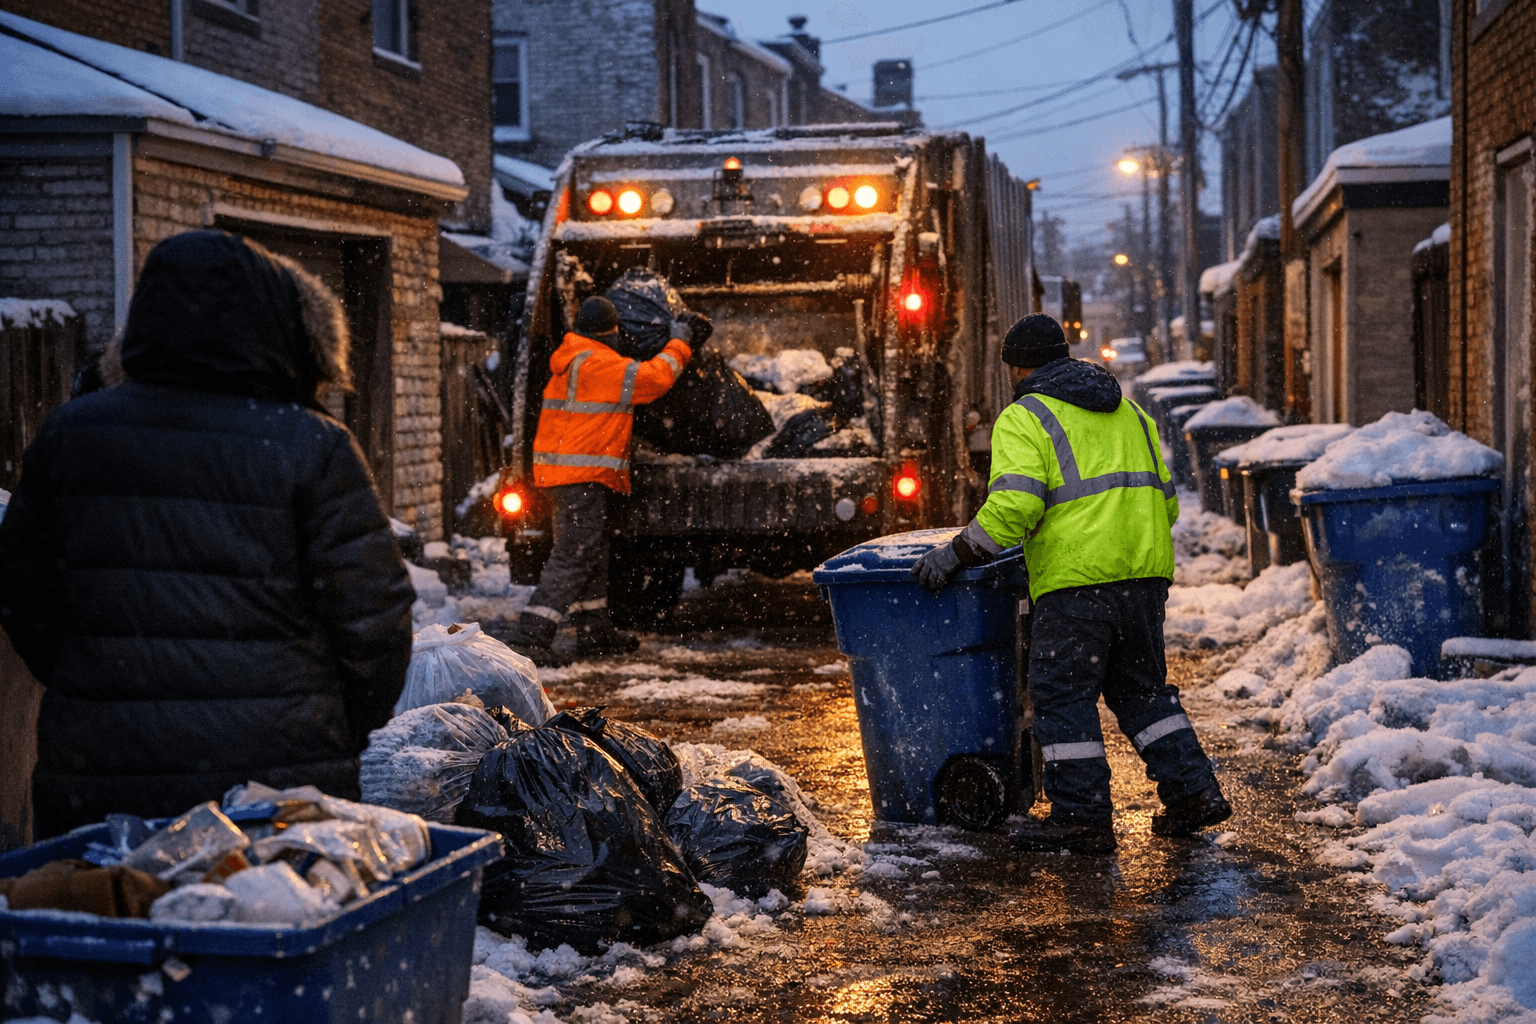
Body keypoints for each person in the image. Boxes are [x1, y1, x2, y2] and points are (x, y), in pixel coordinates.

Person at [0, 230, 414, 837]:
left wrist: (94, 683)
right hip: (277, 778)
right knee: (267, 921)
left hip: (104, 771)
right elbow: (375, 617)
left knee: (118, 920)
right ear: (275, 324)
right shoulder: (313, 445)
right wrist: (335, 725)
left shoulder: (70, 436)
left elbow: (22, 595)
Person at [912, 313, 1230, 855]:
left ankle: (1082, 817)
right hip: (1145, 579)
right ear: (1066, 354)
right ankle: (1194, 793)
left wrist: (955, 553)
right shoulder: (1130, 412)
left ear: (1015, 366)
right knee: (1142, 691)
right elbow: (1168, 501)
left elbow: (1015, 506)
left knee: (1063, 694)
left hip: (1077, 582)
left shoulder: (1025, 416)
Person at [501, 295, 694, 665]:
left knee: (591, 551)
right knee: (574, 554)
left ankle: (594, 630)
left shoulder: (574, 359)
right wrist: (680, 340)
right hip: (578, 477)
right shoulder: (601, 365)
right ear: (611, 331)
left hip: (566, 475)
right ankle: (531, 634)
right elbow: (657, 378)